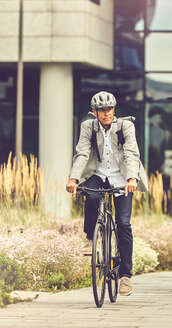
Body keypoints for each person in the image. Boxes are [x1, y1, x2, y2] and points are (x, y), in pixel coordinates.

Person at [66, 91, 148, 296]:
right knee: (92, 196)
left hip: (122, 177)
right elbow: (82, 153)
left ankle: (126, 276)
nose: (106, 113)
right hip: (99, 173)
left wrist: (131, 179)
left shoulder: (126, 126)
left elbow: (131, 153)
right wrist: (74, 178)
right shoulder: (88, 127)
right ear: (94, 112)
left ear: (114, 109)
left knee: (123, 223)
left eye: (109, 109)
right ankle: (91, 239)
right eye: (102, 110)